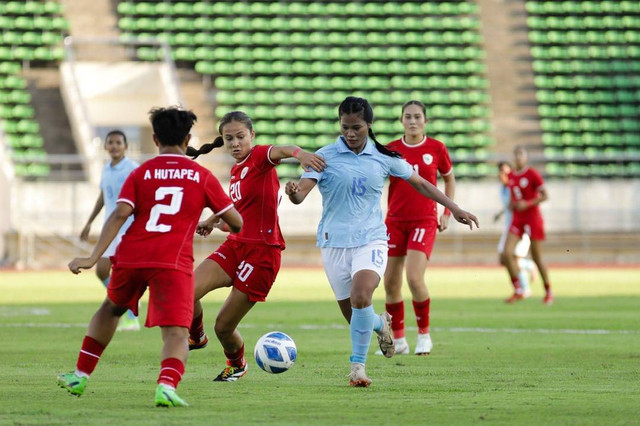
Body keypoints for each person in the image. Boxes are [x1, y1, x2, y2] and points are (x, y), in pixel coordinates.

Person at [285, 96, 479, 387]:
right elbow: (301, 195)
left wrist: (454, 207)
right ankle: (380, 323)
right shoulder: (324, 156)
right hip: (333, 243)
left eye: (357, 127)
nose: (350, 133)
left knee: (361, 295)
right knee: (355, 317)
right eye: (345, 127)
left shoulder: (383, 156)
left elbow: (423, 184)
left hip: (372, 240)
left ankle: (358, 368)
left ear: (369, 125)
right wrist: (292, 192)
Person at [58, 106, 243, 407]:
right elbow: (236, 223)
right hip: (172, 263)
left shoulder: (140, 173)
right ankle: (166, 386)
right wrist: (209, 220)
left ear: (156, 139)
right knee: (176, 332)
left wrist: (92, 258)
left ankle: (81, 374)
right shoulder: (202, 176)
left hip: (132, 256)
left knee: (110, 310)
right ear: (188, 139)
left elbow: (119, 214)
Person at [185, 111, 326, 382]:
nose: (236, 143)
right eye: (229, 138)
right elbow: (236, 221)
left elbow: (282, 150)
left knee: (224, 327)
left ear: (252, 135)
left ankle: (236, 364)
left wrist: (301, 154)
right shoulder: (236, 171)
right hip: (235, 246)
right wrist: (215, 223)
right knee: (186, 290)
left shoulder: (260, 156)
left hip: (262, 252)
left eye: (240, 136)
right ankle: (196, 336)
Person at [380, 100, 455, 357]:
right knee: (390, 282)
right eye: (408, 117)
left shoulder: (436, 148)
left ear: (425, 121)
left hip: (424, 219)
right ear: (401, 120)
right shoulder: (390, 150)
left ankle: (424, 336)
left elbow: (449, 177)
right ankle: (398, 340)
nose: (412, 121)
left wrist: (447, 212)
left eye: (417, 117)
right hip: (395, 221)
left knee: (414, 277)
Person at [80, 130, 140, 331]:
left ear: (125, 146)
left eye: (118, 142)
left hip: (127, 229)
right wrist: (89, 222)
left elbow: (142, 197)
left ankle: (131, 316)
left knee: (124, 275)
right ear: (105, 146)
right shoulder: (106, 169)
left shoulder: (132, 168)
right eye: (111, 142)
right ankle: (128, 301)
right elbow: (102, 196)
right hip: (110, 229)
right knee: (101, 271)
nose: (114, 146)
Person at [501, 146, 553, 305]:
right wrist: (511, 204)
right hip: (518, 218)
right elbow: (513, 194)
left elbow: (545, 196)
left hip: (532, 218)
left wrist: (528, 203)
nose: (518, 158)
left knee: (537, 257)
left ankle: (548, 291)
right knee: (506, 253)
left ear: (526, 158)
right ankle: (518, 289)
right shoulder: (510, 176)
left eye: (521, 155)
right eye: (516, 155)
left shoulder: (532, 174)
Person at [494, 161, 536, 299]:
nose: (503, 175)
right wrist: (499, 214)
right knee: (503, 259)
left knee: (514, 258)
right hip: (509, 226)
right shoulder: (503, 188)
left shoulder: (516, 186)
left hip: (519, 227)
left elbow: (524, 202)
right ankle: (529, 267)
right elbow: (508, 205)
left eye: (506, 172)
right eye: (501, 172)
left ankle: (523, 289)